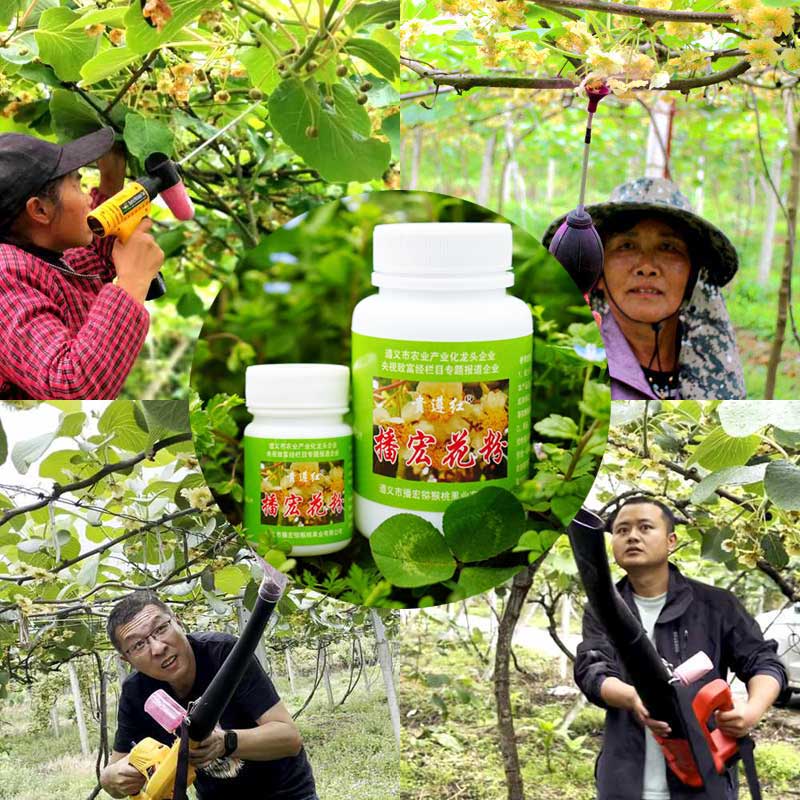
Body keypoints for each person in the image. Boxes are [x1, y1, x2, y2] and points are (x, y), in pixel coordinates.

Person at [574, 496, 787, 800]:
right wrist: (633, 697)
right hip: (624, 782)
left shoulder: (716, 605)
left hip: (703, 780)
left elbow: (764, 661)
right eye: (621, 530)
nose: (632, 536)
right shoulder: (601, 609)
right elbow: (592, 671)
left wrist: (752, 710)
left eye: (645, 527)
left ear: (671, 540)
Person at [100, 591, 318, 800]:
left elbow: (290, 739)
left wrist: (225, 742)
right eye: (138, 645)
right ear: (127, 661)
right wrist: (111, 778)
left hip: (286, 793)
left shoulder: (225, 655)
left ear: (178, 622)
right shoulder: (137, 692)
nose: (157, 648)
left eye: (160, 629)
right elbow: (115, 771)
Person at [544, 178, 746, 400]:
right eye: (627, 246)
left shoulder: (713, 370)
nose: (647, 267)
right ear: (597, 274)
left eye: (668, 247)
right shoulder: (578, 372)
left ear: (693, 275)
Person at [0, 127, 164, 398]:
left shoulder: (39, 259)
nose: (88, 195)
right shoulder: (5, 274)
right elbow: (71, 388)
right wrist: (132, 281)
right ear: (40, 210)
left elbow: (93, 261)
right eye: (77, 183)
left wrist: (112, 183)